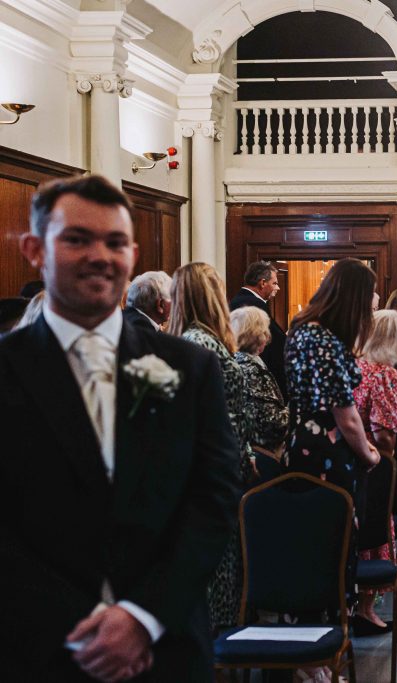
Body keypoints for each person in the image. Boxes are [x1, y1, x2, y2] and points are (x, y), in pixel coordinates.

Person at [0, 174, 238, 681]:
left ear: (131, 253)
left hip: (167, 647)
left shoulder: (190, 369)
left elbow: (212, 499)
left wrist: (141, 617)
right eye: (77, 240)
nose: (99, 256)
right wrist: (81, 627)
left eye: (114, 243)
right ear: (34, 250)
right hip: (38, 651)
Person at [284, 258, 381, 609]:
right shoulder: (324, 338)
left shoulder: (300, 327)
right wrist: (369, 454)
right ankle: (324, 632)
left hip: (300, 441)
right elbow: (346, 414)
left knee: (306, 540)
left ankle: (310, 635)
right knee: (333, 541)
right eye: (369, 293)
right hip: (327, 448)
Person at [168, 261, 255, 633]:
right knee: (219, 573)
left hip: (221, 465)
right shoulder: (201, 345)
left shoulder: (196, 341)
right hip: (214, 474)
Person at [352, 309, 397, 633]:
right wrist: (386, 453)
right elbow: (384, 429)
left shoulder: (355, 366)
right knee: (374, 529)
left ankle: (351, 604)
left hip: (347, 456)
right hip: (372, 459)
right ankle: (366, 608)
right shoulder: (385, 374)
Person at [230, 306, 288, 472]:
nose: (267, 336)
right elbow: (274, 424)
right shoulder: (252, 370)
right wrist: (296, 407)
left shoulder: (236, 362)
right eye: (264, 331)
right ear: (256, 335)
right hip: (263, 457)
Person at [230, 260, 287, 399]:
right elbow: (272, 341)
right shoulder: (253, 303)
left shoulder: (243, 299)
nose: (278, 288)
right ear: (262, 283)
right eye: (274, 283)